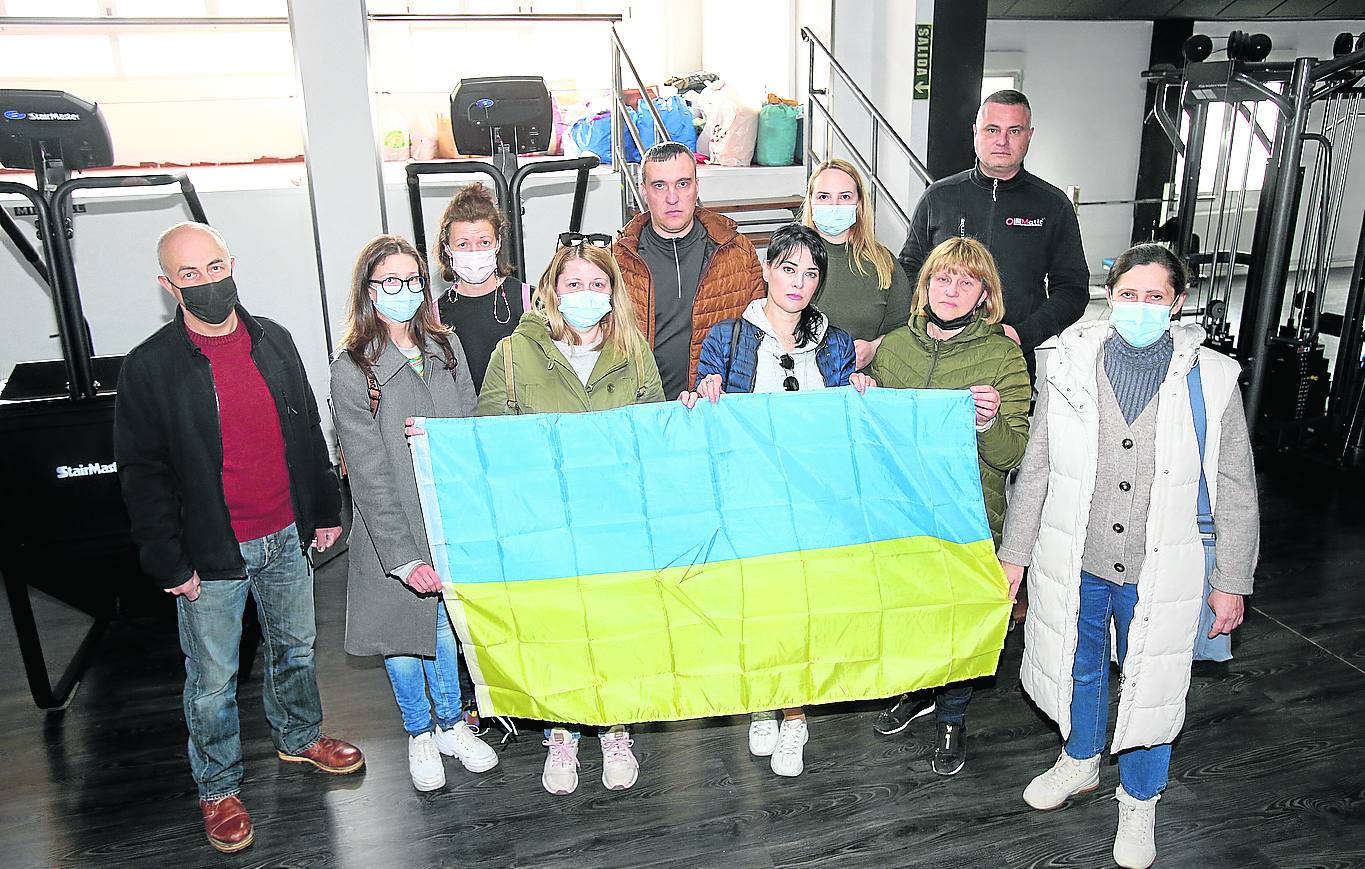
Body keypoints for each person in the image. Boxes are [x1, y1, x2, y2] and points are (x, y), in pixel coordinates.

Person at [999, 243, 1258, 869]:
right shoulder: (1065, 363)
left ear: (1178, 303)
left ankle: (1140, 800)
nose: (1139, 307)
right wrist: (1015, 556)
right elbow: (1036, 466)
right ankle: (1081, 758)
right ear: (1107, 295)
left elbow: (1235, 484)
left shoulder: (1213, 379)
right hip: (1078, 558)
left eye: (1155, 297)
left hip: (1160, 565)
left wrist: (1232, 580)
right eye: (1128, 295)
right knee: (1076, 663)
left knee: (1154, 686)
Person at [114, 222, 361, 854]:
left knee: (297, 650)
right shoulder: (150, 367)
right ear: (168, 286)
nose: (207, 282)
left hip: (285, 534)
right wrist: (168, 560)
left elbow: (306, 431)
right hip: (211, 553)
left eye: (215, 266)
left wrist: (323, 508)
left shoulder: (272, 340)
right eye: (189, 275)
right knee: (214, 680)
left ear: (233, 265)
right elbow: (142, 475)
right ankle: (218, 786)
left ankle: (300, 738)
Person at [680, 223, 874, 777]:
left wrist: (858, 391)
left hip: (812, 499)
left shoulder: (834, 342)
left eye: (811, 273)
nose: (798, 282)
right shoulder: (728, 335)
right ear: (766, 269)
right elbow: (705, 399)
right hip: (750, 498)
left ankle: (795, 716)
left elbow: (843, 416)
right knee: (757, 602)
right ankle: (762, 701)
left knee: (804, 606)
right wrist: (704, 394)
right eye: (787, 268)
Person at [476, 238, 665, 795]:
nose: (585, 294)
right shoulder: (514, 354)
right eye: (574, 284)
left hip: (615, 519)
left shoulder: (635, 352)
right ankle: (560, 732)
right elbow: (488, 435)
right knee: (554, 626)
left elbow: (653, 438)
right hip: (544, 520)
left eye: (597, 284)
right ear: (552, 291)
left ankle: (613, 727)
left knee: (612, 624)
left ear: (614, 292)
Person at [330, 235, 499, 793]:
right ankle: (419, 731)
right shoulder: (355, 368)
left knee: (445, 629)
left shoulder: (445, 347)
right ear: (368, 291)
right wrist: (400, 557)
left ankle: (452, 722)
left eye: (413, 281)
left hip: (446, 518)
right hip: (392, 528)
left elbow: (473, 426)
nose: (404, 291)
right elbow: (369, 472)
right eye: (390, 283)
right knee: (401, 638)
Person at [866, 236, 1031, 776]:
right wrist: (862, 394)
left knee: (961, 620)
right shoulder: (894, 348)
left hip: (971, 514)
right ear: (925, 286)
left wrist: (986, 422)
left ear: (985, 295)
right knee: (911, 612)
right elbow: (871, 440)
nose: (952, 290)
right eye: (943, 278)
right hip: (902, 514)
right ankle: (918, 693)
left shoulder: (1003, 354)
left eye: (967, 282)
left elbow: (1015, 454)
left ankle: (953, 715)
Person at [896, 89, 1089, 375]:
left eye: (1014, 130)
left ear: (1029, 135)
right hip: (934, 355)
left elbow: (1072, 290)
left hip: (1011, 359)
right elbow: (910, 270)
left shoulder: (1052, 205)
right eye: (992, 129)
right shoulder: (939, 197)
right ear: (976, 132)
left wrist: (1023, 334)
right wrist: (932, 321)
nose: (1002, 140)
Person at [613, 140, 764, 399]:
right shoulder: (618, 261)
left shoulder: (737, 252)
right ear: (643, 191)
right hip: (646, 410)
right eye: (659, 185)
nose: (673, 198)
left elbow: (761, 332)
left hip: (718, 406)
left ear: (696, 186)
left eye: (682, 184)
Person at [801, 158, 913, 370]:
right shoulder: (792, 259)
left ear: (859, 204)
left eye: (845, 197)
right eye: (824, 197)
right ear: (811, 202)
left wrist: (874, 348)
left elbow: (905, 330)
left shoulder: (883, 264)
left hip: (865, 384)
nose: (834, 205)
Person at [434, 184, 527, 392]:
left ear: (498, 243)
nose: (474, 252)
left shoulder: (528, 300)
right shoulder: (435, 316)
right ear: (448, 248)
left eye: (484, 242)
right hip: (465, 419)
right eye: (463, 244)